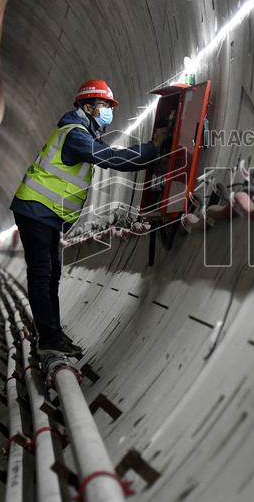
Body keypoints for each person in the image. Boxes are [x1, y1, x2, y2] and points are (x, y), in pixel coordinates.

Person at [10, 79, 170, 358]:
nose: (108, 110)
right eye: (104, 105)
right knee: (42, 273)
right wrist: (152, 148)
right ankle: (48, 337)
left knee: (51, 275)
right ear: (87, 106)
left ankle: (53, 334)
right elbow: (110, 158)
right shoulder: (75, 134)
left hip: (44, 214)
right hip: (35, 209)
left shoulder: (82, 132)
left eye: (109, 105)